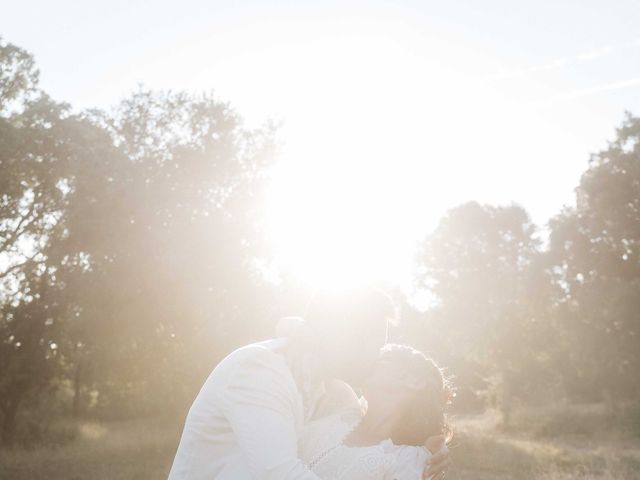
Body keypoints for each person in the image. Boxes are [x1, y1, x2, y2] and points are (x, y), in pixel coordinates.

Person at [167, 288, 450, 479]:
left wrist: (429, 452)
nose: (377, 356)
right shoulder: (259, 370)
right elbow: (280, 474)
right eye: (375, 344)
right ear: (342, 336)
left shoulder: (336, 394)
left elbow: (373, 434)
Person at [298, 344, 453, 480]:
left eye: (383, 357)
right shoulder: (339, 397)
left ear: (414, 381)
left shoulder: (408, 462)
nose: (369, 360)